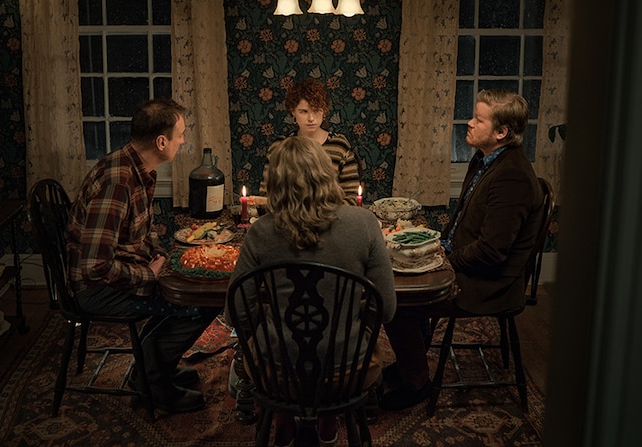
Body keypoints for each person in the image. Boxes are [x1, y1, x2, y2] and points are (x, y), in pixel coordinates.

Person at [379, 89, 544, 411]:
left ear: (501, 132)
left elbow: (491, 253)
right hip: (468, 263)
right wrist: (434, 247)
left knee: (395, 298)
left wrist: (441, 260)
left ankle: (416, 382)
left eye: (479, 119)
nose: (469, 122)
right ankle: (410, 361)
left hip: (491, 283)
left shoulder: (513, 176)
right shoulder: (487, 159)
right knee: (398, 270)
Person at [229, 136, 397, 447]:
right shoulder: (365, 224)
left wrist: (268, 320)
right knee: (337, 335)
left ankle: (283, 421)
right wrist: (352, 319)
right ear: (326, 174)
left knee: (259, 351)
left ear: (275, 183)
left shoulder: (260, 232)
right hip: (348, 370)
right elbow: (386, 307)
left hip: (276, 373)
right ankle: (327, 421)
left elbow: (235, 313)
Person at [66, 99, 221, 413]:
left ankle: (149, 368)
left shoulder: (137, 168)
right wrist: (149, 275)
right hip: (95, 290)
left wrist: (161, 258)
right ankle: (155, 384)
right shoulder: (117, 181)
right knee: (200, 302)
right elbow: (94, 267)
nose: (183, 140)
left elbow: (139, 234)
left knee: (190, 287)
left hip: (121, 271)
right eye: (180, 134)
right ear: (161, 141)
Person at [258, 78, 362, 205]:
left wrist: (322, 212)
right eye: (304, 112)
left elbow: (352, 196)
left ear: (324, 111)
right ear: (293, 112)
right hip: (289, 218)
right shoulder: (280, 147)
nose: (311, 118)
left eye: (316, 110)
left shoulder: (339, 145)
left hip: (330, 217)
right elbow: (266, 194)